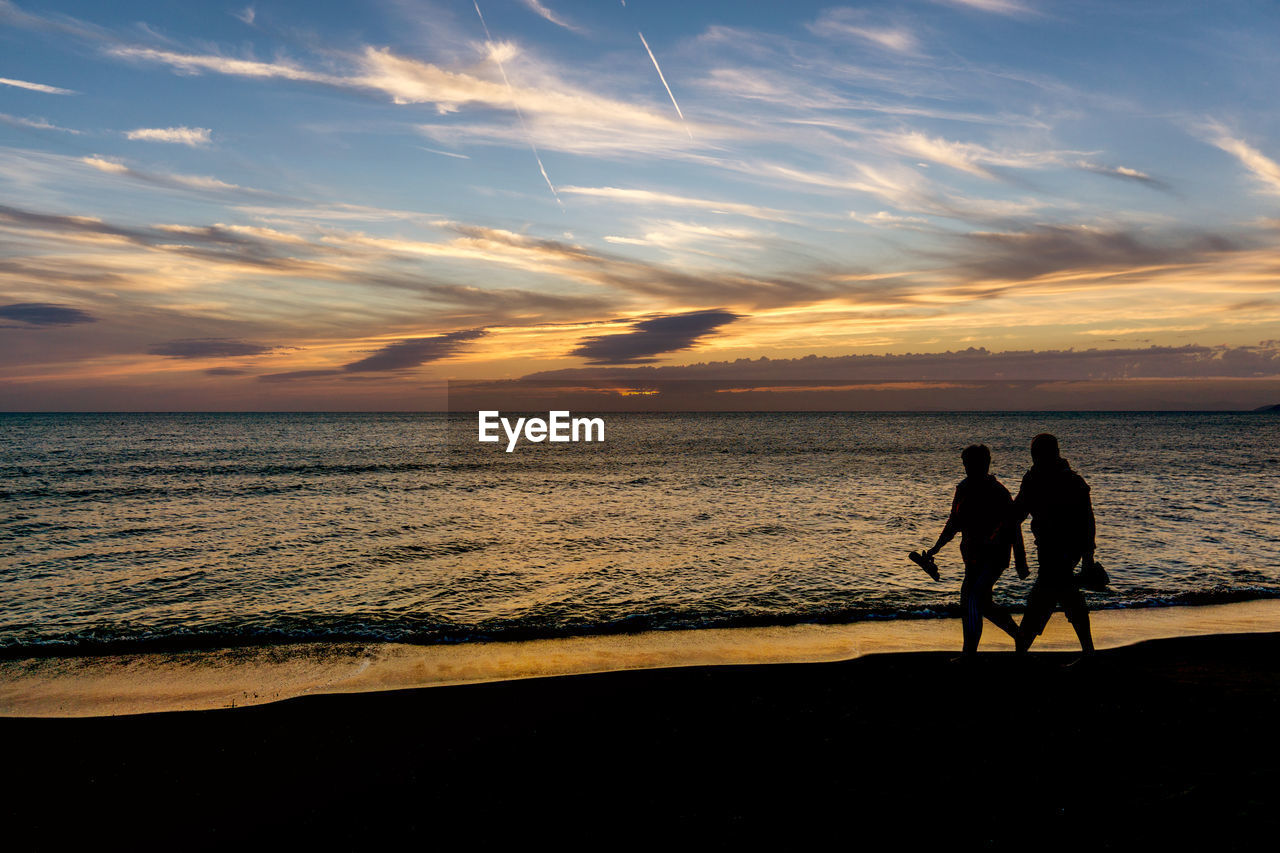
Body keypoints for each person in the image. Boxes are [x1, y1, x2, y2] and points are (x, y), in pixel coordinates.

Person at [919, 444, 1029, 657]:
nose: (967, 468)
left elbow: (1013, 526)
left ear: (985, 464)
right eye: (965, 464)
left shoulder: (998, 491)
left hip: (995, 556)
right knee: (982, 603)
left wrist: (1020, 562)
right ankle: (1020, 637)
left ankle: (969, 654)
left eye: (971, 463)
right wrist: (936, 548)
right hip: (971, 555)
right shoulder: (963, 489)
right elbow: (954, 522)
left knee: (973, 599)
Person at [1006, 433, 1099, 656]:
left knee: (1044, 600)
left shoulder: (1066, 481)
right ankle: (1088, 653)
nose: (1036, 459)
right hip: (1054, 550)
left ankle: (1021, 651)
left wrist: (1088, 558)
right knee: (1067, 598)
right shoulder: (1042, 480)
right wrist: (1020, 557)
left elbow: (1087, 522)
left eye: (1037, 454)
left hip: (1063, 551)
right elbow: (1016, 516)